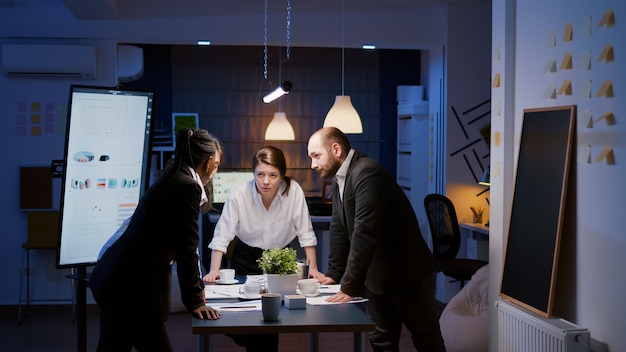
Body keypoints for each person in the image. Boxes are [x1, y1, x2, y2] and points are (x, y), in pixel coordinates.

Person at [307, 127, 446, 352]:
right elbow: (339, 228)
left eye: (316, 156)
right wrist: (334, 273)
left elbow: (365, 232)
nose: (312, 165)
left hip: (408, 274)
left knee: (426, 340)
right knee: (381, 341)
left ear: (336, 149)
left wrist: (349, 287)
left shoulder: (368, 173)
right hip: (378, 276)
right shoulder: (339, 179)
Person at [89, 128, 222, 352]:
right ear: (208, 162)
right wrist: (195, 300)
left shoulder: (173, 177)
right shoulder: (187, 186)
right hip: (133, 291)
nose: (216, 171)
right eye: (217, 164)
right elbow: (187, 248)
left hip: (117, 282)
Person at [203, 145, 321, 352]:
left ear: (282, 175)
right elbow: (222, 234)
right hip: (246, 256)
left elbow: (305, 232)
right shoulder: (240, 193)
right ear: (253, 173)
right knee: (244, 318)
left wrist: (312, 268)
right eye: (260, 174)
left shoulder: (293, 191)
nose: (266, 181)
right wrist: (214, 270)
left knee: (268, 322)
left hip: (280, 259)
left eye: (273, 175)